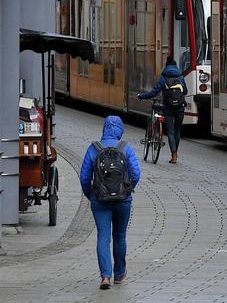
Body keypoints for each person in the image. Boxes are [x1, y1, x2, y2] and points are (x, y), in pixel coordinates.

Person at [80, 116, 141, 289]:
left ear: (104, 128)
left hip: (99, 200)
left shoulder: (94, 149)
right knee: (120, 236)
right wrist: (127, 190)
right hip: (123, 200)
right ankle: (120, 274)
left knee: (103, 237)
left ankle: (105, 277)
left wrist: (91, 195)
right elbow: (136, 174)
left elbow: (84, 177)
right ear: (120, 129)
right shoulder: (126, 148)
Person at [137, 56, 188, 164]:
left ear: (166, 66)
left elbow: (154, 92)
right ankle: (175, 155)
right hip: (180, 108)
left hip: (168, 108)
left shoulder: (163, 77)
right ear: (175, 65)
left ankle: (173, 154)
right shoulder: (180, 76)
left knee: (170, 132)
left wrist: (142, 96)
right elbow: (185, 92)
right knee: (177, 131)